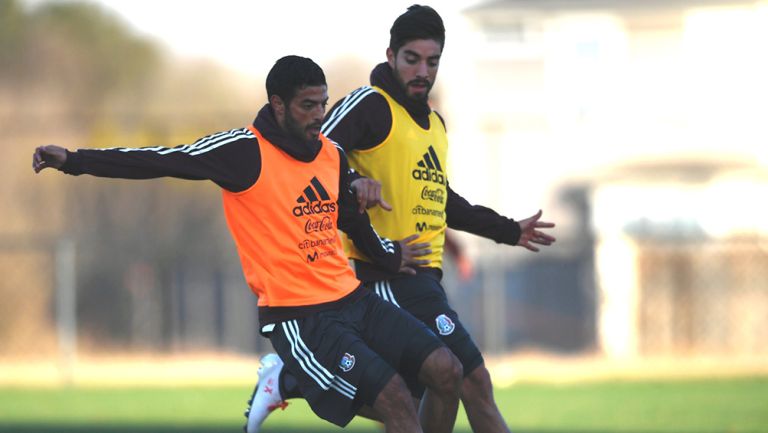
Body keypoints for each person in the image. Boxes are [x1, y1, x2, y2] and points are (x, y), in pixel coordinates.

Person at [33, 55, 464, 433]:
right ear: (278, 105)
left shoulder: (331, 153)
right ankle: (288, 376)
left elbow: (353, 222)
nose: (319, 116)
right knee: (395, 400)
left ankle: (286, 382)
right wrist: (75, 160)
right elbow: (162, 159)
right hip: (301, 318)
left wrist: (388, 253)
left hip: (353, 298)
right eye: (308, 106)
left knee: (447, 372)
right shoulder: (244, 152)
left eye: (323, 104)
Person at [245, 6, 557, 433]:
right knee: (472, 382)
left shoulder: (435, 125)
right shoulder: (371, 105)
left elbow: (443, 201)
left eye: (433, 61)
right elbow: (311, 151)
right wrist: (354, 181)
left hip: (426, 277)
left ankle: (288, 379)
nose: (422, 70)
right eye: (412, 58)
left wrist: (506, 229)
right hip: (388, 276)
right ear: (391, 56)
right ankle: (289, 378)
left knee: (414, 396)